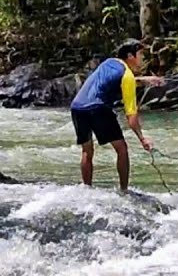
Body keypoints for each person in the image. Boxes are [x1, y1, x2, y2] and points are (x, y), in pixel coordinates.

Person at [70, 38, 164, 192]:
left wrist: (145, 80)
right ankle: (124, 191)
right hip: (98, 108)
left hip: (77, 107)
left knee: (87, 150)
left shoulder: (109, 62)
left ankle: (86, 189)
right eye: (140, 54)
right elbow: (131, 115)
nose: (142, 58)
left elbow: (114, 80)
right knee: (122, 149)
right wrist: (142, 138)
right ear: (130, 56)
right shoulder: (127, 76)